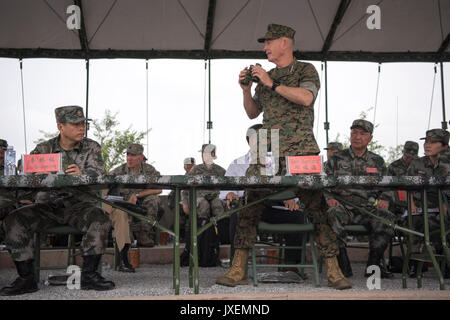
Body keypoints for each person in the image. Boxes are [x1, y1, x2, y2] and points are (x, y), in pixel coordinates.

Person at [216, 24, 351, 290]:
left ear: (285, 43)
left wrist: (271, 82)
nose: (264, 48)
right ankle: (238, 267)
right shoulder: (266, 77)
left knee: (316, 206)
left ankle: (334, 270)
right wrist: (245, 90)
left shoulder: (305, 70)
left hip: (301, 145)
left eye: (268, 42)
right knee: (249, 202)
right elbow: (253, 114)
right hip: (267, 143)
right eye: (264, 44)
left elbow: (306, 98)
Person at [0, 106, 114, 296]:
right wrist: (36, 175)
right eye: (75, 124)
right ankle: (26, 279)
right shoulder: (44, 148)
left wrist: (82, 174)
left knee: (100, 219)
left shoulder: (92, 147)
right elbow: (25, 169)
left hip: (79, 207)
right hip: (47, 206)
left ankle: (89, 276)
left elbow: (100, 174)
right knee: (14, 219)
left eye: (83, 124)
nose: (81, 128)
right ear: (60, 126)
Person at [219, 124, 306, 270]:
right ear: (249, 141)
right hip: (249, 208)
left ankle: (291, 266)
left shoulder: (279, 162)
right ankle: (237, 267)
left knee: (297, 217)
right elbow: (225, 190)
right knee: (237, 215)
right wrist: (230, 193)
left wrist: (291, 197)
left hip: (274, 209)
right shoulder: (237, 164)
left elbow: (292, 184)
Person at [325, 119, 396, 279]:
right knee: (332, 214)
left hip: (368, 208)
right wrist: (329, 198)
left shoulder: (377, 161)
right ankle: (343, 265)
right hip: (343, 207)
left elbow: (387, 185)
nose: (357, 137)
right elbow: (323, 184)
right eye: (354, 133)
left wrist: (385, 199)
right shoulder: (335, 159)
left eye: (362, 134)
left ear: (370, 138)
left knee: (387, 218)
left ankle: (373, 265)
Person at [407, 129, 450, 278]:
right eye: (426, 142)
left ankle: (446, 262)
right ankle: (414, 263)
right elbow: (407, 187)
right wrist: (411, 205)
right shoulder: (417, 163)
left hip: (445, 207)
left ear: (445, 146)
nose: (427, 145)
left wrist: (446, 205)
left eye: (433, 142)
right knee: (414, 221)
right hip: (421, 207)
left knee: (444, 222)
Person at [108, 143, 162, 250]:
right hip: (124, 204)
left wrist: (137, 195)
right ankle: (127, 238)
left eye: (133, 155)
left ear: (141, 157)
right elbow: (105, 185)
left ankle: (143, 233)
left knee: (153, 200)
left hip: (142, 202)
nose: (129, 158)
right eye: (128, 155)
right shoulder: (118, 171)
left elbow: (159, 189)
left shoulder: (149, 170)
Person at [180, 144, 226, 266]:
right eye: (202, 153)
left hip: (215, 196)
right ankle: (202, 237)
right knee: (204, 205)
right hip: (199, 198)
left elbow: (227, 189)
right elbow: (184, 188)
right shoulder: (194, 170)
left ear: (213, 155)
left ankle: (217, 240)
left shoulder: (221, 171)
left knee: (218, 206)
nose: (203, 156)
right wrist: (185, 203)